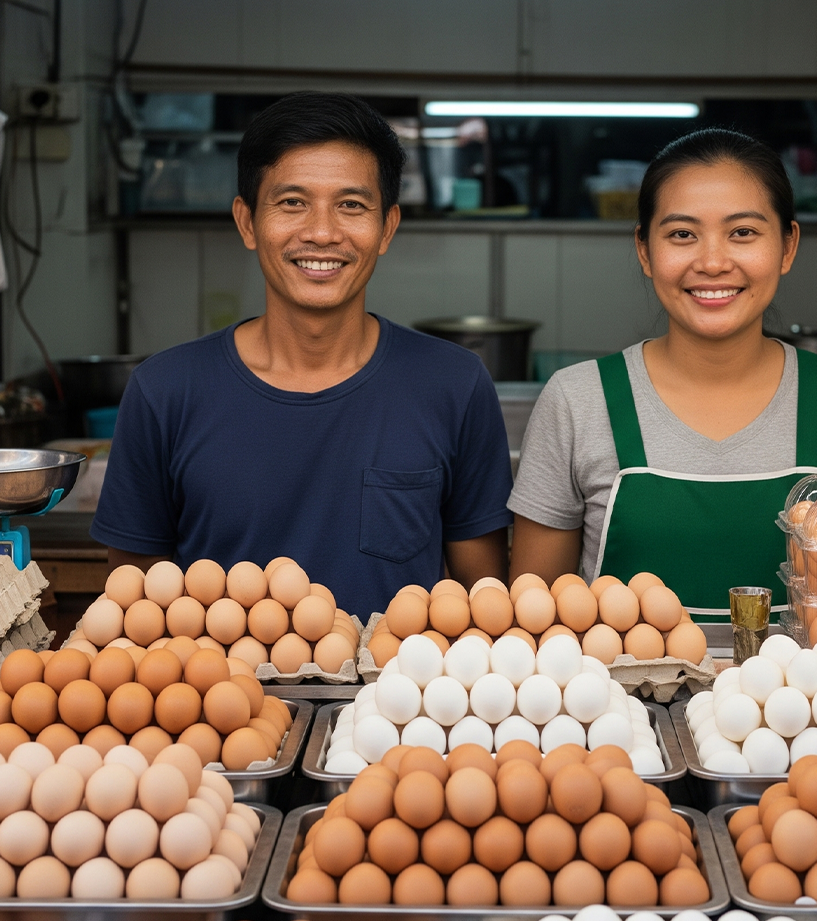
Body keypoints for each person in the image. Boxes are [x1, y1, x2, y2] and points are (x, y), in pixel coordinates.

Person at [91, 92, 513, 620]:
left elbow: (486, 601)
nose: (322, 232)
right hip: (225, 700)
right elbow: (134, 613)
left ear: (387, 228)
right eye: (292, 202)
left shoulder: (453, 384)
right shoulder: (166, 391)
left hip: (393, 701)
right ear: (247, 222)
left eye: (352, 205)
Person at [508, 128, 817, 619]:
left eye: (743, 232)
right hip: (618, 697)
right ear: (644, 250)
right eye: (682, 234)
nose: (713, 262)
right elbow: (532, 618)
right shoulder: (579, 401)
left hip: (808, 697)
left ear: (787, 246)